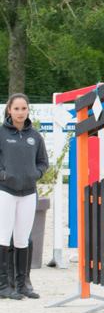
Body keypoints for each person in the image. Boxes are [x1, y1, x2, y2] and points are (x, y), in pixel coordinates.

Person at [0, 94, 48, 299]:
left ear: (28, 110)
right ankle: (3, 285)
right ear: (9, 110)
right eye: (16, 108)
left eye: (24, 108)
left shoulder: (35, 137)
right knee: (3, 236)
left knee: (22, 238)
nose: (20, 112)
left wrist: (35, 175)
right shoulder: (1, 133)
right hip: (6, 191)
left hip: (28, 192)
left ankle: (23, 284)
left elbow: (43, 162)